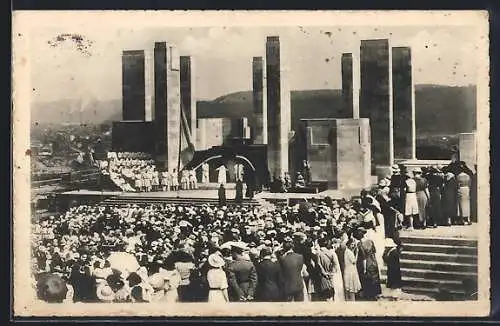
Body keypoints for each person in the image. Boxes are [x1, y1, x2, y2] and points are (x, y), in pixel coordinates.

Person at [355, 227, 381, 301]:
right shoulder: (370, 241)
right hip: (373, 261)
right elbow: (374, 251)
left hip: (366, 262)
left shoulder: (360, 244)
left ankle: (368, 294)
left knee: (367, 277)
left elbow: (363, 257)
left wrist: (364, 267)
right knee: (374, 278)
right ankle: (375, 294)